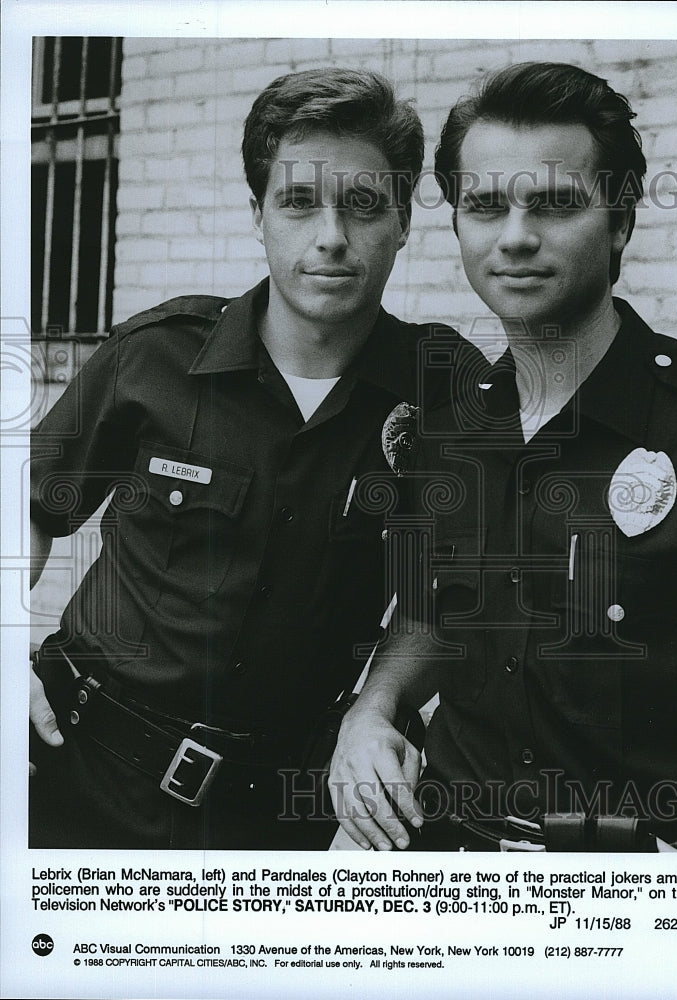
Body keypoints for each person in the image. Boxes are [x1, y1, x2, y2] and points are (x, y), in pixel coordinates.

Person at [28, 68, 481, 850]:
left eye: (364, 203)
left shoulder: (442, 388)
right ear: (259, 215)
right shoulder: (156, 354)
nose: (331, 234)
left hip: (270, 816)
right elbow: (31, 507)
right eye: (299, 201)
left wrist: (376, 707)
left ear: (404, 221)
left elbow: (444, 596)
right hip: (74, 766)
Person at [329, 62, 677, 853]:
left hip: (639, 900)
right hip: (446, 863)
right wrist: (372, 708)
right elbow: (430, 613)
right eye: (485, 206)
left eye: (554, 204)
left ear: (620, 221)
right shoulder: (449, 430)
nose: (515, 236)